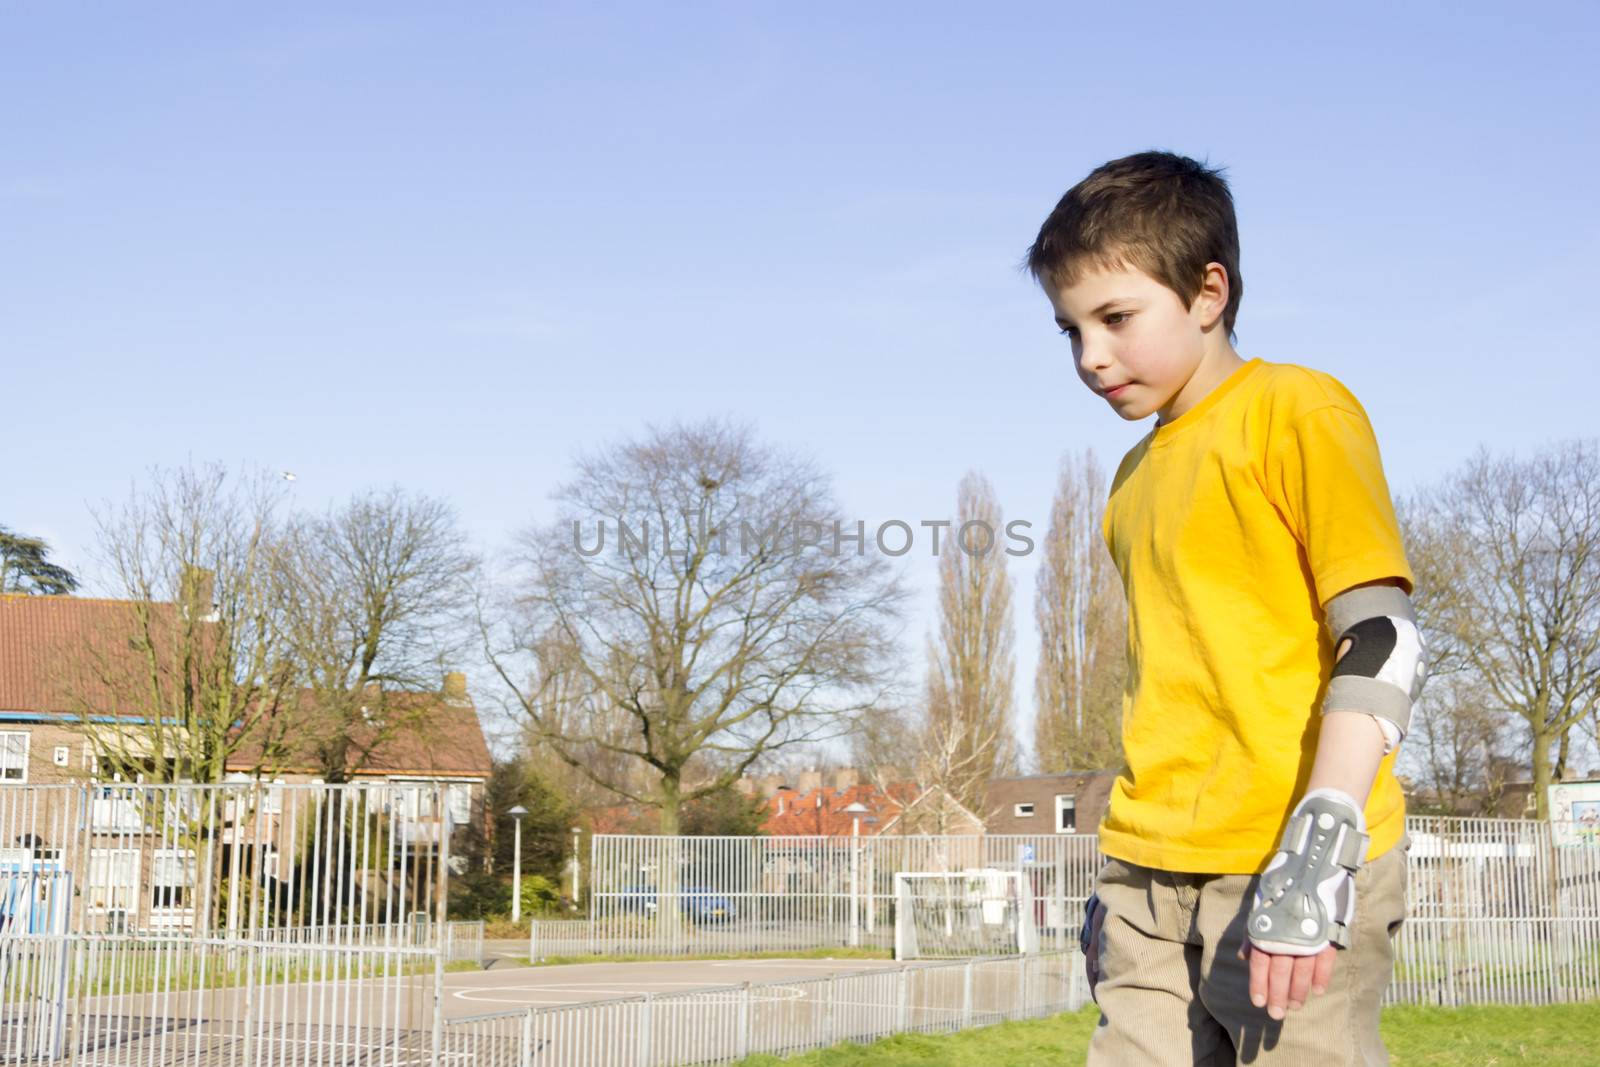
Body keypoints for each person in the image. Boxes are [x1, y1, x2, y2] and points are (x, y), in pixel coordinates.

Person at [1028, 152, 1425, 1066]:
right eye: (1070, 329)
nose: (1091, 356)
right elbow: (1170, 679)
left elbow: (1382, 638)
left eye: (1117, 317)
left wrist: (1320, 843)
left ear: (1209, 291)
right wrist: (1121, 877)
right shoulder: (1131, 479)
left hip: (1286, 854)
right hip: (1149, 869)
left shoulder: (1298, 410)